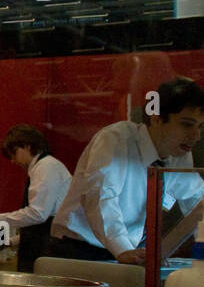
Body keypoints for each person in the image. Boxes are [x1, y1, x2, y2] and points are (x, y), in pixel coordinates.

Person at [47, 77, 204, 265]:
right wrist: (123, 249)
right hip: (79, 249)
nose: (196, 136)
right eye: (186, 124)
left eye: (200, 126)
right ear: (156, 119)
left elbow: (197, 203)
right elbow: (101, 198)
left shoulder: (180, 154)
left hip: (128, 251)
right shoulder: (116, 139)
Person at [0, 124, 72, 272]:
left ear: (26, 146)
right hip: (43, 246)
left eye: (14, 153)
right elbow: (43, 222)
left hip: (47, 251)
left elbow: (38, 214)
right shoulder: (44, 167)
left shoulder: (46, 167)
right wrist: (12, 242)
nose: (13, 160)